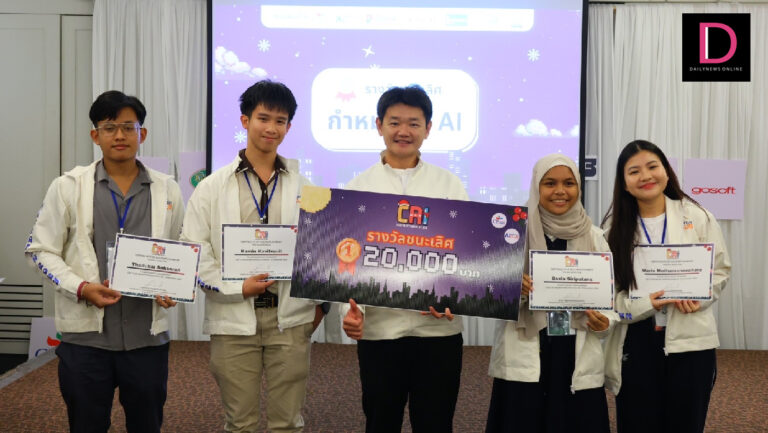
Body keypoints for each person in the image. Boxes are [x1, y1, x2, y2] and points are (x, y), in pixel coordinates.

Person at [24, 90, 184, 433]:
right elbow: (40, 250)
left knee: (147, 425)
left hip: (146, 338)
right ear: (95, 135)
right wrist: (81, 287)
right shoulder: (67, 187)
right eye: (109, 127)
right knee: (87, 425)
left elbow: (181, 249)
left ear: (142, 133)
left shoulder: (168, 189)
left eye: (128, 127)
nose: (119, 135)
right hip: (86, 340)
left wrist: (173, 285)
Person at [181, 80, 324, 433]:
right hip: (233, 316)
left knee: (287, 423)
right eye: (263, 118)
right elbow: (194, 250)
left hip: (288, 319)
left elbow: (320, 253)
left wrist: (319, 308)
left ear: (288, 127)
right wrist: (236, 287)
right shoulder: (211, 188)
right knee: (239, 422)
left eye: (280, 121)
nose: (271, 128)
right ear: (245, 120)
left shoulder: (307, 188)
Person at [341, 85, 468, 433]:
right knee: (381, 421)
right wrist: (348, 312)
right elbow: (345, 261)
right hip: (380, 332)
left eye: (414, 123)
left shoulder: (450, 185)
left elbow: (466, 256)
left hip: (439, 333)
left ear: (428, 129)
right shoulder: (357, 189)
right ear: (379, 125)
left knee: (436, 423)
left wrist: (456, 297)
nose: (403, 131)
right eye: (395, 122)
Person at [601, 140, 731, 433]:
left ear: (666, 171)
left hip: (690, 340)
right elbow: (609, 296)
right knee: (637, 423)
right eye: (634, 171)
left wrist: (700, 296)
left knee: (686, 423)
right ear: (624, 183)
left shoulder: (697, 216)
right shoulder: (612, 230)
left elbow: (720, 270)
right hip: (636, 342)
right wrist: (645, 304)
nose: (645, 176)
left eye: (652, 166)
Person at [486, 154, 616, 433]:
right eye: (549, 183)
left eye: (569, 183)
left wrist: (605, 322)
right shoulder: (513, 232)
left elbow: (609, 299)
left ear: (578, 187)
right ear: (536, 186)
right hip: (528, 349)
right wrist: (512, 288)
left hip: (574, 350)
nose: (560, 191)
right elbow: (487, 295)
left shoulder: (594, 236)